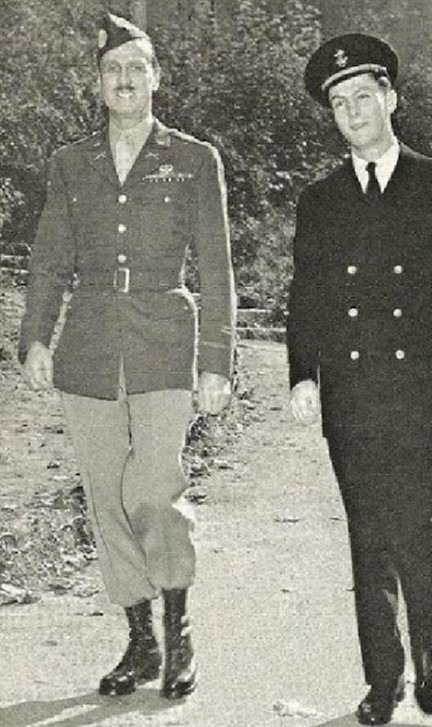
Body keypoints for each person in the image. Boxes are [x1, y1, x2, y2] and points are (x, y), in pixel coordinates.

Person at [19, 13, 236, 700]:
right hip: (88, 343)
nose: (124, 80)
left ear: (155, 78)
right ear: (98, 84)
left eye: (135, 69)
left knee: (153, 488)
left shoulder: (193, 158)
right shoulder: (70, 163)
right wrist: (35, 337)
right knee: (105, 493)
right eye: (112, 70)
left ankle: (178, 627)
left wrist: (216, 361)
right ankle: (140, 639)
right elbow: (49, 259)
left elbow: (217, 266)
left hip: (165, 340)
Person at [287, 33, 432, 726]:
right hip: (349, 389)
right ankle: (383, 677)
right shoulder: (319, 200)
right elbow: (306, 294)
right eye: (339, 103)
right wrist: (301, 373)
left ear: (391, 99)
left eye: (363, 96)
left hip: (414, 388)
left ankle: (429, 650)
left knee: (416, 525)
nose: (353, 111)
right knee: (366, 535)